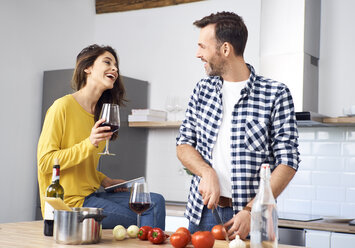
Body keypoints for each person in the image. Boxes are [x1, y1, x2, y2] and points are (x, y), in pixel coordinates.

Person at [176, 12, 300, 239]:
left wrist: (252, 209)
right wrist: (206, 171)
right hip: (203, 213)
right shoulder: (202, 90)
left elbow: (288, 161)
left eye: (203, 47)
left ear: (225, 49)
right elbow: (183, 145)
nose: (198, 54)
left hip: (251, 218)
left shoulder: (275, 94)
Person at [37, 44, 165, 229]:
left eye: (116, 65)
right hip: (70, 204)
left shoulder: (98, 114)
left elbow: (79, 168)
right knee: (138, 216)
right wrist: (89, 143)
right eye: (107, 62)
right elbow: (46, 163)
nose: (115, 68)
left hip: (92, 195)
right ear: (87, 68)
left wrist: (105, 180)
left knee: (154, 201)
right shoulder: (62, 107)